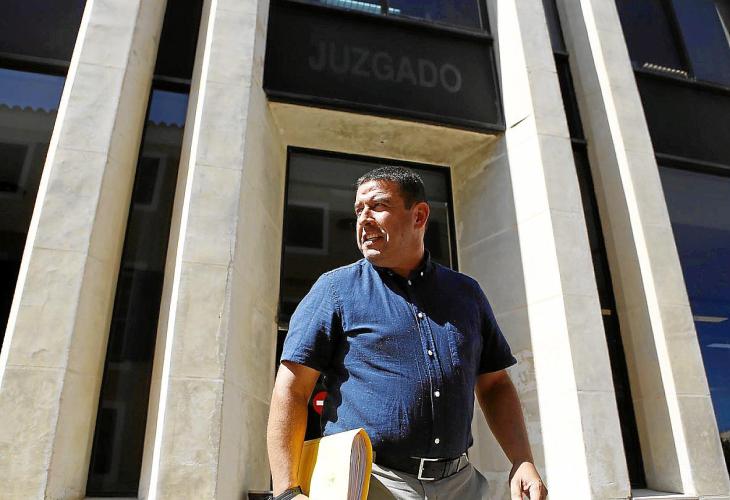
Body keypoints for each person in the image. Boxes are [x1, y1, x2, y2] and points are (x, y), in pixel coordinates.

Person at [267, 166, 547, 500]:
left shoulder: (466, 294)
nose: (364, 218)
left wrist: (522, 460)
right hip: (371, 482)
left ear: (419, 216)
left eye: (378, 206)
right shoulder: (335, 290)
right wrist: (287, 491)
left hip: (462, 484)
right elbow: (292, 389)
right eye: (359, 209)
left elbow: (495, 384)